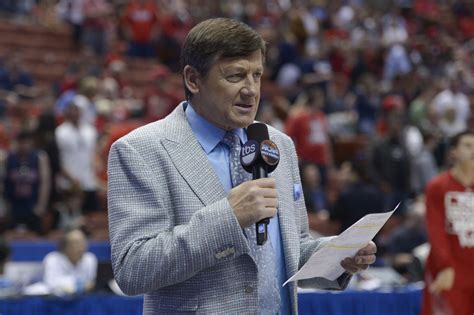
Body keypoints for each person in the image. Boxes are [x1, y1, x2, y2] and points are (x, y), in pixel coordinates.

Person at [107, 18, 376, 314]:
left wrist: (337, 256)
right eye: (235, 76)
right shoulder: (140, 150)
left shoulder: (279, 144)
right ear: (193, 79)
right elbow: (133, 269)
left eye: (257, 75)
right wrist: (228, 219)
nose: (251, 90)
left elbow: (289, 252)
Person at [422, 130, 474, 315]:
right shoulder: (438, 186)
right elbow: (435, 229)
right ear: (453, 152)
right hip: (451, 269)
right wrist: (445, 266)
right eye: (468, 145)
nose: (473, 151)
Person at [41, 229, 97, 295]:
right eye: (76, 243)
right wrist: (78, 286)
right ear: (65, 246)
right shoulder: (52, 259)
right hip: (56, 300)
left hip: (83, 300)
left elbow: (92, 283)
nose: (81, 246)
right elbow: (51, 284)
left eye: (83, 242)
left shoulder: (90, 259)